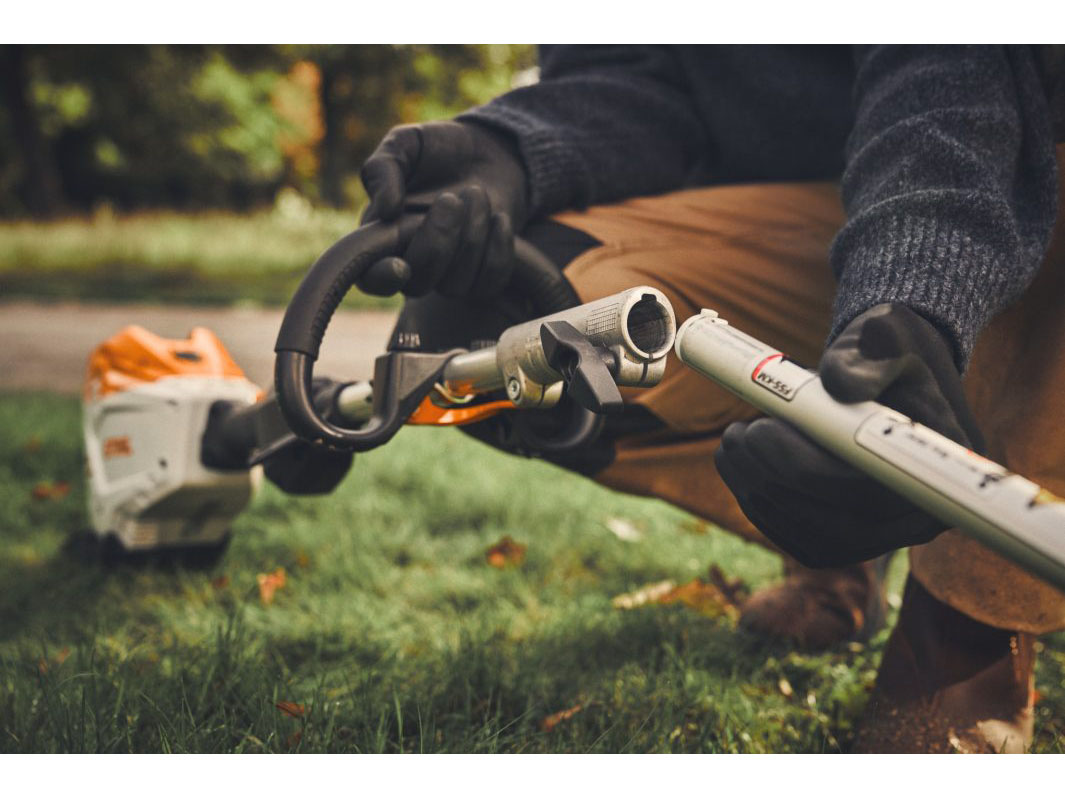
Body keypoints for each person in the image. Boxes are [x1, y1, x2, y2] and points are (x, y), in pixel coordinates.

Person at [355, 45, 1065, 753]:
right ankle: (832, 549)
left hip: (978, 169)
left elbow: (952, 64)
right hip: (796, 213)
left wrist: (915, 291)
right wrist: (510, 149)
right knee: (491, 320)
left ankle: (966, 633)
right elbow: (640, 82)